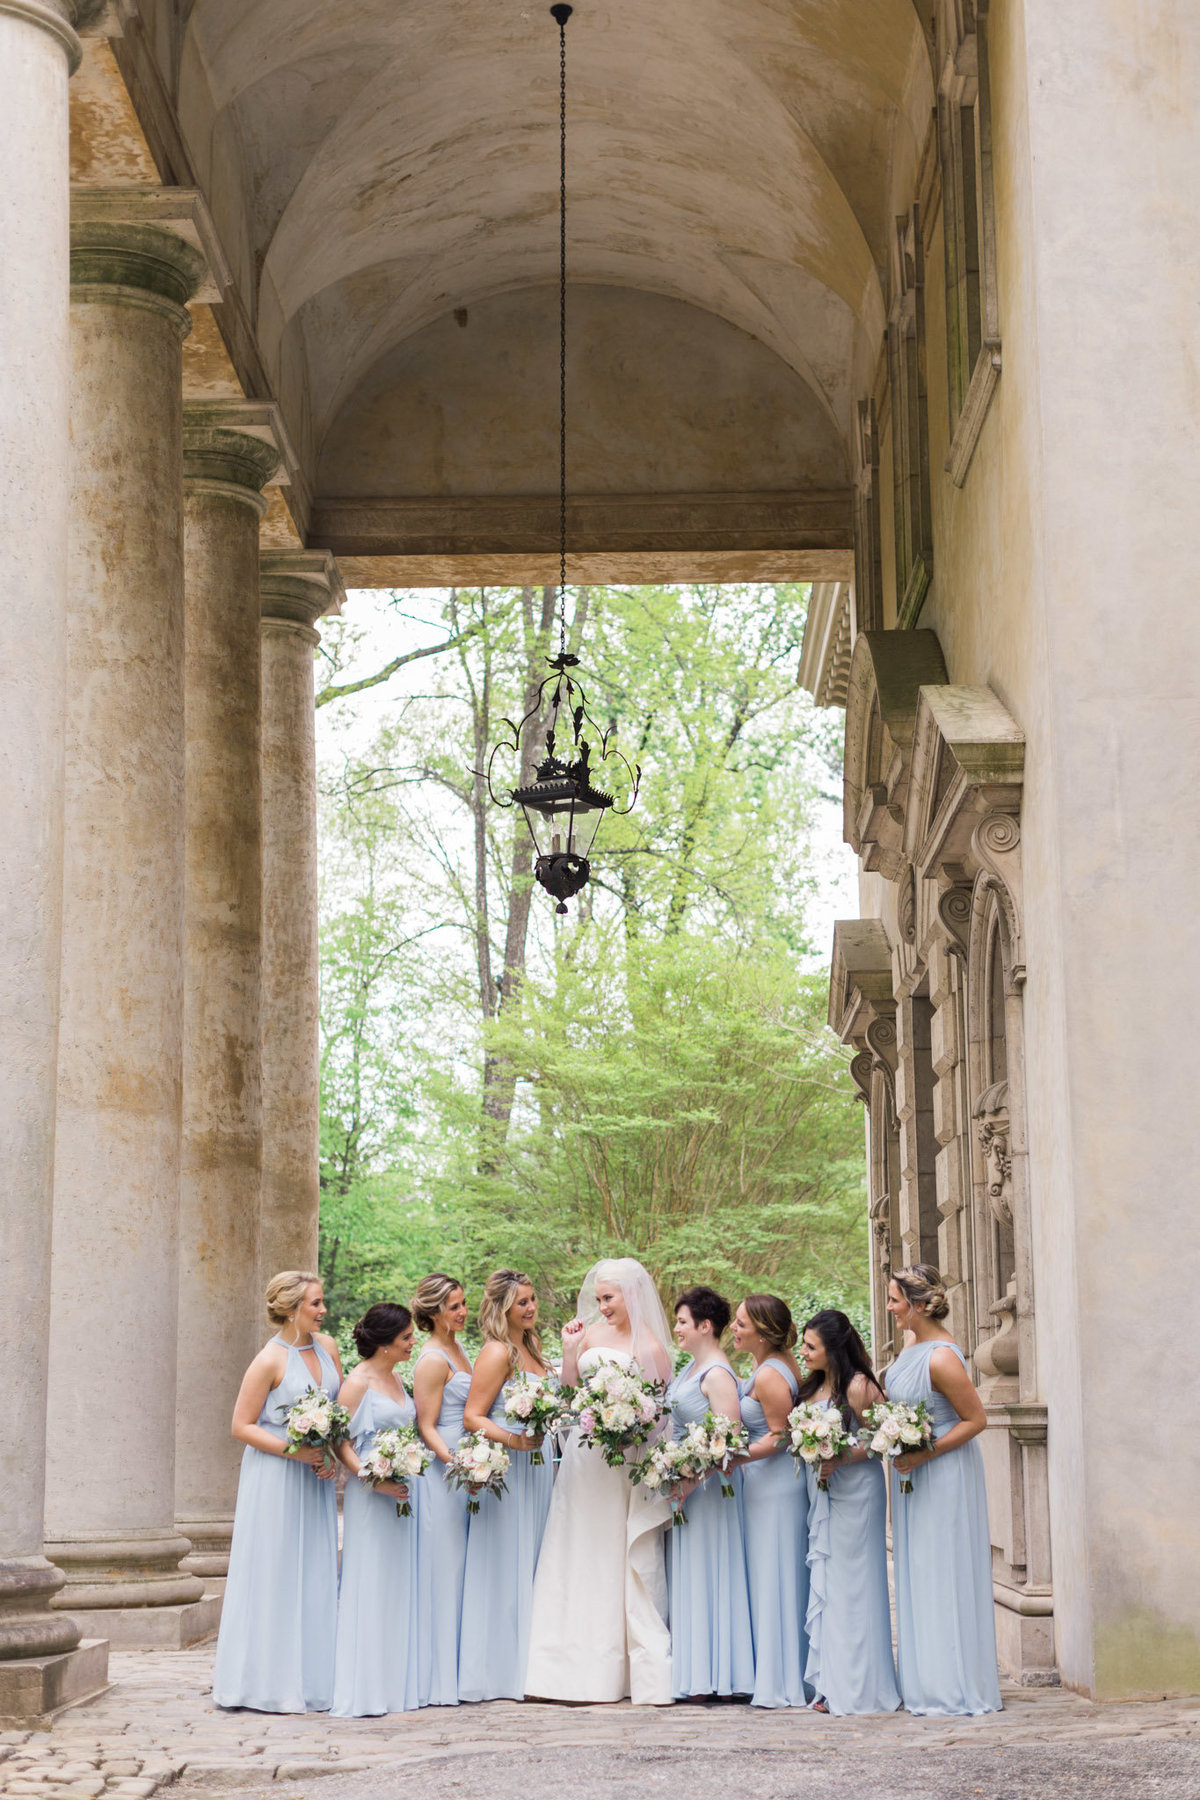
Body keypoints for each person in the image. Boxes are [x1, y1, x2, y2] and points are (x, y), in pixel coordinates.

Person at [525, 1258, 674, 1704]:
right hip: (582, 1460)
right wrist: (570, 1353)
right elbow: (570, 1394)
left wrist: (628, 1430)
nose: (601, 1306)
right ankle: (560, 1668)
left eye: (608, 1298)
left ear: (631, 1296)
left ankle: (615, 1668)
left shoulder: (650, 1346)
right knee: (574, 1547)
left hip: (622, 1464)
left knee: (610, 1551)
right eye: (598, 1298)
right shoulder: (587, 1334)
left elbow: (658, 1415)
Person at [213, 1272, 341, 1712]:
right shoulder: (268, 1360)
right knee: (274, 1570)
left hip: (315, 1476)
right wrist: (296, 1451)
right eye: (316, 1304)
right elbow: (241, 1426)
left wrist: (329, 1453)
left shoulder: (328, 1349)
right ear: (290, 1308)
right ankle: (264, 1683)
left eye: (322, 1303)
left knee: (316, 1569)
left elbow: (337, 1413)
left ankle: (315, 1680)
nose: (323, 1311)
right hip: (275, 1478)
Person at [884, 1264, 1002, 1716]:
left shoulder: (942, 1357)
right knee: (919, 1572)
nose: (891, 1307)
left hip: (944, 1473)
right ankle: (923, 1681)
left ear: (916, 1306)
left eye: (895, 1300)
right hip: (913, 1474)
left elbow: (976, 1420)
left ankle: (952, 1685)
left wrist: (922, 1453)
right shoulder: (912, 1345)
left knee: (944, 1570)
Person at [457, 1270, 555, 1702]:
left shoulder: (532, 1347)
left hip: (541, 1467)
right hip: (512, 1468)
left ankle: (533, 1667)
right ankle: (495, 1671)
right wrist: (514, 1439)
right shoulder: (497, 1353)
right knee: (505, 1564)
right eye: (522, 1303)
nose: (531, 1308)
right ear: (502, 1309)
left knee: (536, 1562)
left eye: (533, 1300)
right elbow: (473, 1416)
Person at [797, 1309, 900, 1716]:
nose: (803, 1352)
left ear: (833, 1349)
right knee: (830, 1587)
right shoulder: (815, 1387)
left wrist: (841, 1456)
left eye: (811, 1346)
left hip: (858, 1491)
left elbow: (887, 1439)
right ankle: (829, 1682)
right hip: (824, 1492)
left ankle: (859, 1688)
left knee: (855, 1588)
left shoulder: (859, 1386)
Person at [332, 1303, 421, 1716]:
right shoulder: (357, 1383)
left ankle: (394, 1682)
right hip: (370, 1496)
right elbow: (341, 1442)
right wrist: (373, 1478)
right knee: (369, 1580)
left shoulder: (398, 1377)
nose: (412, 1342)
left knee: (396, 1582)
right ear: (385, 1344)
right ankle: (364, 1687)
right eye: (406, 1337)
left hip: (401, 1492)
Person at [666, 1285, 755, 1700]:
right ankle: (698, 1671)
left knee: (710, 1572)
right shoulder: (690, 1369)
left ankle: (718, 1675)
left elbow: (730, 1439)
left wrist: (688, 1477)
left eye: (683, 1321)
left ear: (705, 1326)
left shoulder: (717, 1374)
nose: (677, 1328)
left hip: (709, 1490)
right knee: (692, 1574)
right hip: (688, 1487)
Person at [731, 1293, 811, 1709]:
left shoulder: (769, 1375)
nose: (734, 1328)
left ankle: (780, 1680)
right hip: (765, 1484)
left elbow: (780, 1436)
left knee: (776, 1575)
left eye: (742, 1323)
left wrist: (730, 1455)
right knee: (772, 1574)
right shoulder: (773, 1366)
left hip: (776, 1486)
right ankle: (778, 1670)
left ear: (762, 1332)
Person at [412, 1272, 474, 1707]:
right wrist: (455, 1464)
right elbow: (425, 1425)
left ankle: (463, 1664)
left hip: (473, 1465)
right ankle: (438, 1678)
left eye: (464, 1303)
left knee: (466, 1567)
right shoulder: (433, 1359)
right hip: (445, 1470)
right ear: (434, 1312)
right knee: (446, 1566)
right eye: (454, 1307)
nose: (463, 1311)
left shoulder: (459, 1347)